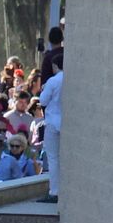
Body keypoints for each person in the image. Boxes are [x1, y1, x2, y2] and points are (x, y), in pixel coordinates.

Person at [38, 56, 62, 203]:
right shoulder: (70, 78)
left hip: (53, 121)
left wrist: (44, 89)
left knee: (53, 158)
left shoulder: (53, 81)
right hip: (66, 122)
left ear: (55, 66)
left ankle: (54, 191)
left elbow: (43, 100)